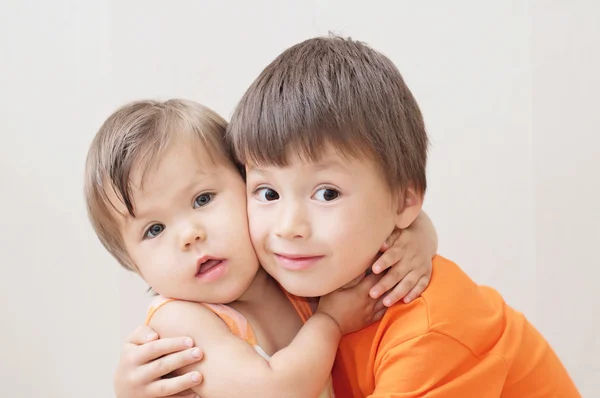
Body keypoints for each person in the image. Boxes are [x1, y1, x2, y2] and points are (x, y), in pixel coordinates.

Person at [223, 36, 580, 397]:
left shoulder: (431, 330)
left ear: (406, 200)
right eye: (268, 193)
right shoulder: (295, 277)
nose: (289, 228)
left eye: (327, 193)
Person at [85, 99, 438, 398]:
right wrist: (329, 321)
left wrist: (417, 236)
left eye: (202, 199)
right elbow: (273, 391)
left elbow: (374, 226)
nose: (189, 235)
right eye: (155, 229)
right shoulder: (179, 321)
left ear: (249, 183)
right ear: (130, 261)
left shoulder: (283, 270)